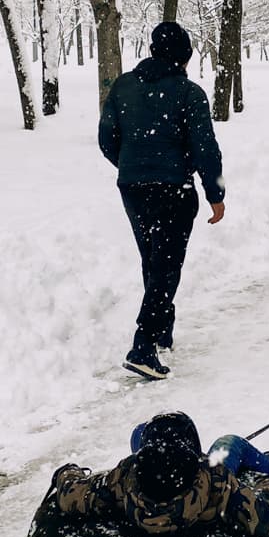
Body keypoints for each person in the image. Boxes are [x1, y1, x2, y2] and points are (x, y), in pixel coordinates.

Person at [99, 22, 225, 380]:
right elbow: (206, 150)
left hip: (132, 189)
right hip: (174, 189)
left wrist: (133, 164)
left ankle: (162, 329)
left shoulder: (123, 87)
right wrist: (215, 193)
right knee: (166, 266)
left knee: (153, 258)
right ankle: (143, 346)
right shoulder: (189, 93)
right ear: (183, 55)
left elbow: (107, 138)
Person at [49, 412, 269, 537]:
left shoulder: (122, 481)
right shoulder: (217, 483)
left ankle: (162, 456)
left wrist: (67, 472)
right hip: (198, 488)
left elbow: (71, 492)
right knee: (229, 443)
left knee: (141, 431)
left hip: (163, 477)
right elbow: (263, 517)